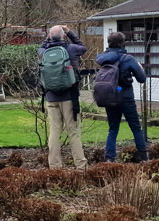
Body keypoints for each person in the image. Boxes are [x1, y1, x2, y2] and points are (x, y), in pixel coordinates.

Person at [38, 25, 88, 170]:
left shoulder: (44, 52)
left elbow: (40, 47)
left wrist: (48, 38)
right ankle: (81, 166)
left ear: (49, 37)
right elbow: (83, 47)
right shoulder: (71, 49)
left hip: (51, 97)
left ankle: (54, 167)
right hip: (69, 98)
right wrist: (69, 32)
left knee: (54, 132)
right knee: (73, 132)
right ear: (63, 36)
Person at [96, 31, 149, 162]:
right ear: (122, 43)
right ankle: (143, 156)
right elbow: (142, 79)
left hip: (110, 96)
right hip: (125, 96)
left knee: (113, 128)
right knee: (135, 127)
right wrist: (139, 68)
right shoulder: (128, 59)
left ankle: (109, 158)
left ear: (109, 43)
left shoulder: (103, 59)